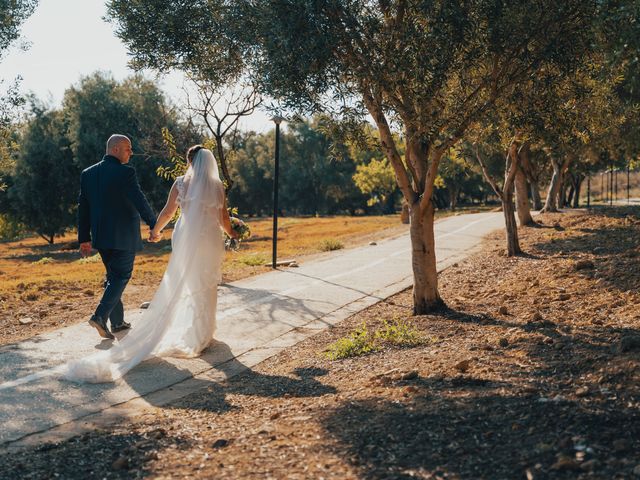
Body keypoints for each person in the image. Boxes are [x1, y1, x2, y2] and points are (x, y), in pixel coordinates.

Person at [64, 146, 238, 383]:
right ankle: (203, 331)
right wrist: (234, 233)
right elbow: (224, 218)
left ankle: (192, 330)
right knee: (206, 281)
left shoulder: (180, 183)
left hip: (186, 237)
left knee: (183, 280)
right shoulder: (216, 185)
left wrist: (156, 230)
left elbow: (168, 212)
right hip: (208, 238)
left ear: (189, 161)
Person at [78, 134, 157, 340]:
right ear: (115, 149)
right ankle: (99, 316)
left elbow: (83, 209)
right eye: (128, 148)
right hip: (124, 236)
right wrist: (153, 223)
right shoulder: (125, 172)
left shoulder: (88, 174)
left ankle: (118, 322)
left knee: (113, 277)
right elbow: (139, 200)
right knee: (121, 276)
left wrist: (83, 238)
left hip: (101, 237)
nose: (131, 152)